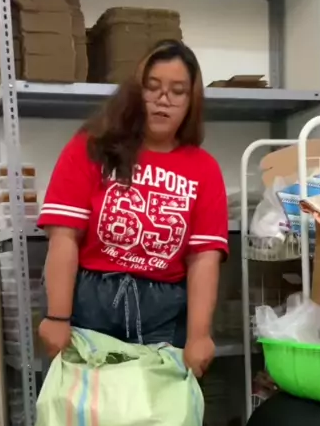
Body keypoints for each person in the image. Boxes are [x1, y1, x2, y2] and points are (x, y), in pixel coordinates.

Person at [37, 39, 228, 377]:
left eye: (178, 91)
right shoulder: (90, 148)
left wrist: (199, 335)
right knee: (89, 406)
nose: (163, 99)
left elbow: (204, 258)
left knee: (157, 408)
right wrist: (57, 316)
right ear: (136, 92)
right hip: (90, 304)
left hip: (164, 312)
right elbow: (64, 237)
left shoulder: (204, 169)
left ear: (191, 102)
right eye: (152, 87)